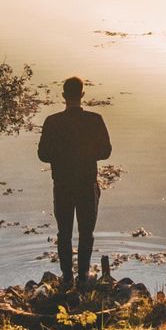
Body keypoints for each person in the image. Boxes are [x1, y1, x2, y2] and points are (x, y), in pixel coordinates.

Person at [37, 76, 112, 289]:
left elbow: (43, 154)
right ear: (82, 95)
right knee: (86, 233)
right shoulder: (94, 120)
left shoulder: (52, 122)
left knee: (64, 233)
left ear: (63, 96)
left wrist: (62, 156)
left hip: (62, 185)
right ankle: (82, 277)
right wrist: (86, 154)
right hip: (87, 184)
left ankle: (67, 277)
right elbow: (106, 151)